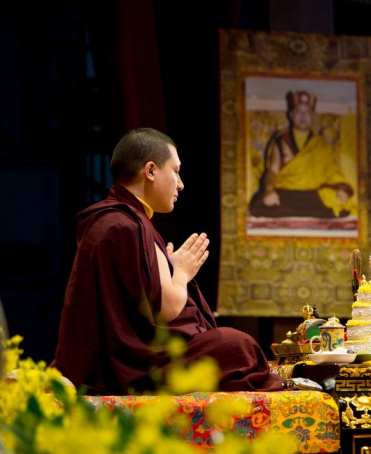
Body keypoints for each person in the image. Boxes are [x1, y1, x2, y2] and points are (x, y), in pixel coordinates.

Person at [52, 128, 284, 395]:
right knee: (239, 346)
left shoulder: (120, 222)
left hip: (119, 359)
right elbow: (168, 308)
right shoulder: (124, 226)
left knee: (234, 346)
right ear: (150, 171)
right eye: (175, 171)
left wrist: (170, 268)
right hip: (132, 365)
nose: (181, 183)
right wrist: (182, 273)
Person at [248, 90, 355, 218]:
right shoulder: (281, 141)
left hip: (313, 194)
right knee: (258, 203)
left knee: (343, 205)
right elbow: (272, 171)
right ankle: (294, 210)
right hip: (287, 192)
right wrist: (269, 190)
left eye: (308, 112)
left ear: (313, 117)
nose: (303, 116)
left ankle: (291, 212)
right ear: (291, 115)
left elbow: (333, 172)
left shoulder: (322, 145)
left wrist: (341, 190)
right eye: (299, 111)